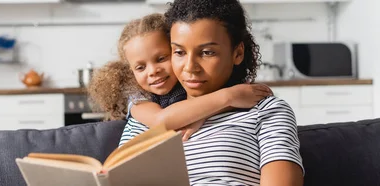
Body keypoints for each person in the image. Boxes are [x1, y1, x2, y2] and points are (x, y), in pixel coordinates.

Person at [164, 0, 304, 185]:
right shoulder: (157, 114)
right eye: (180, 52)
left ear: (237, 53)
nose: (190, 68)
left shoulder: (267, 110)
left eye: (207, 52)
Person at [87, 13, 272, 146]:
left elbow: (234, 99)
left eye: (161, 58)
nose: (153, 71)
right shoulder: (137, 97)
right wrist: (228, 97)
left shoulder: (193, 85)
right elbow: (161, 120)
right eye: (140, 67)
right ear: (131, 71)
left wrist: (204, 113)